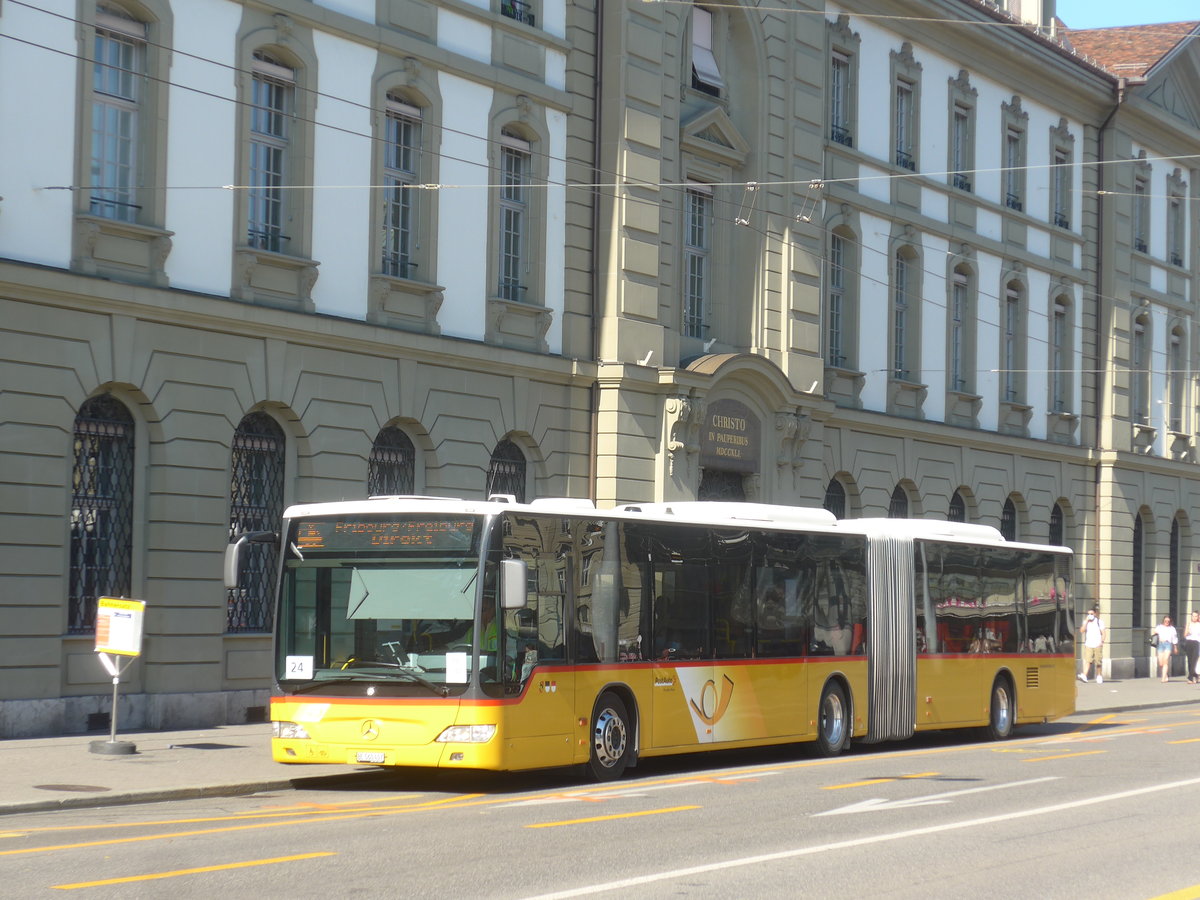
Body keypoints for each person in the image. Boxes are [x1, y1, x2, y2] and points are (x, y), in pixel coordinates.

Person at [1078, 607, 1105, 683]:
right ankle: (1084, 675)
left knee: (1098, 662)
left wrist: (1101, 642)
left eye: (1091, 614)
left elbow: (1103, 633)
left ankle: (1099, 675)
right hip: (1089, 644)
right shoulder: (1086, 622)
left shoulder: (1099, 622)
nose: (1090, 615)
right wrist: (1086, 621)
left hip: (1097, 644)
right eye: (1088, 614)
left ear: (1095, 614)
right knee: (1088, 661)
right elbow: (1082, 631)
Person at [1153, 615, 1179, 683]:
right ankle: (1166, 675)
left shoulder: (1172, 628)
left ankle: (1163, 678)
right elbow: (1154, 634)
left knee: (1165, 660)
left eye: (1168, 621)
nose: (1167, 622)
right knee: (1161, 663)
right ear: (1163, 621)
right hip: (1160, 644)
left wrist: (1175, 647)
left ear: (1170, 621)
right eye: (1165, 621)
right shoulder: (1159, 627)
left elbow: (1174, 638)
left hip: (1168, 644)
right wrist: (1157, 636)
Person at [1184, 611, 1200, 685]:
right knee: (1190, 661)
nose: (1194, 617)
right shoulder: (1189, 624)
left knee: (1194, 660)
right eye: (1193, 616)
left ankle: (1190, 678)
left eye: (1196, 616)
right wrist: (1187, 631)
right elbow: (1185, 634)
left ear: (1198, 617)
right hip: (1189, 642)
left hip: (1197, 642)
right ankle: (1196, 675)